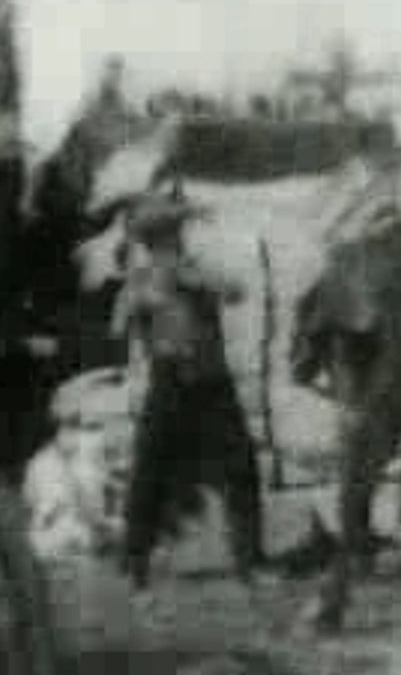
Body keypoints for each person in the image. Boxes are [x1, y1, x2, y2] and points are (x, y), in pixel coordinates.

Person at [111, 194, 265, 590]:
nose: (170, 242)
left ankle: (250, 560)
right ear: (149, 241)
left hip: (212, 379)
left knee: (241, 466)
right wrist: (143, 296)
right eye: (161, 237)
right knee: (150, 468)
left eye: (173, 234)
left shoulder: (198, 270)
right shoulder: (140, 280)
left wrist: (195, 281)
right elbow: (117, 326)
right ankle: (135, 560)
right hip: (170, 378)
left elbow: (235, 291)